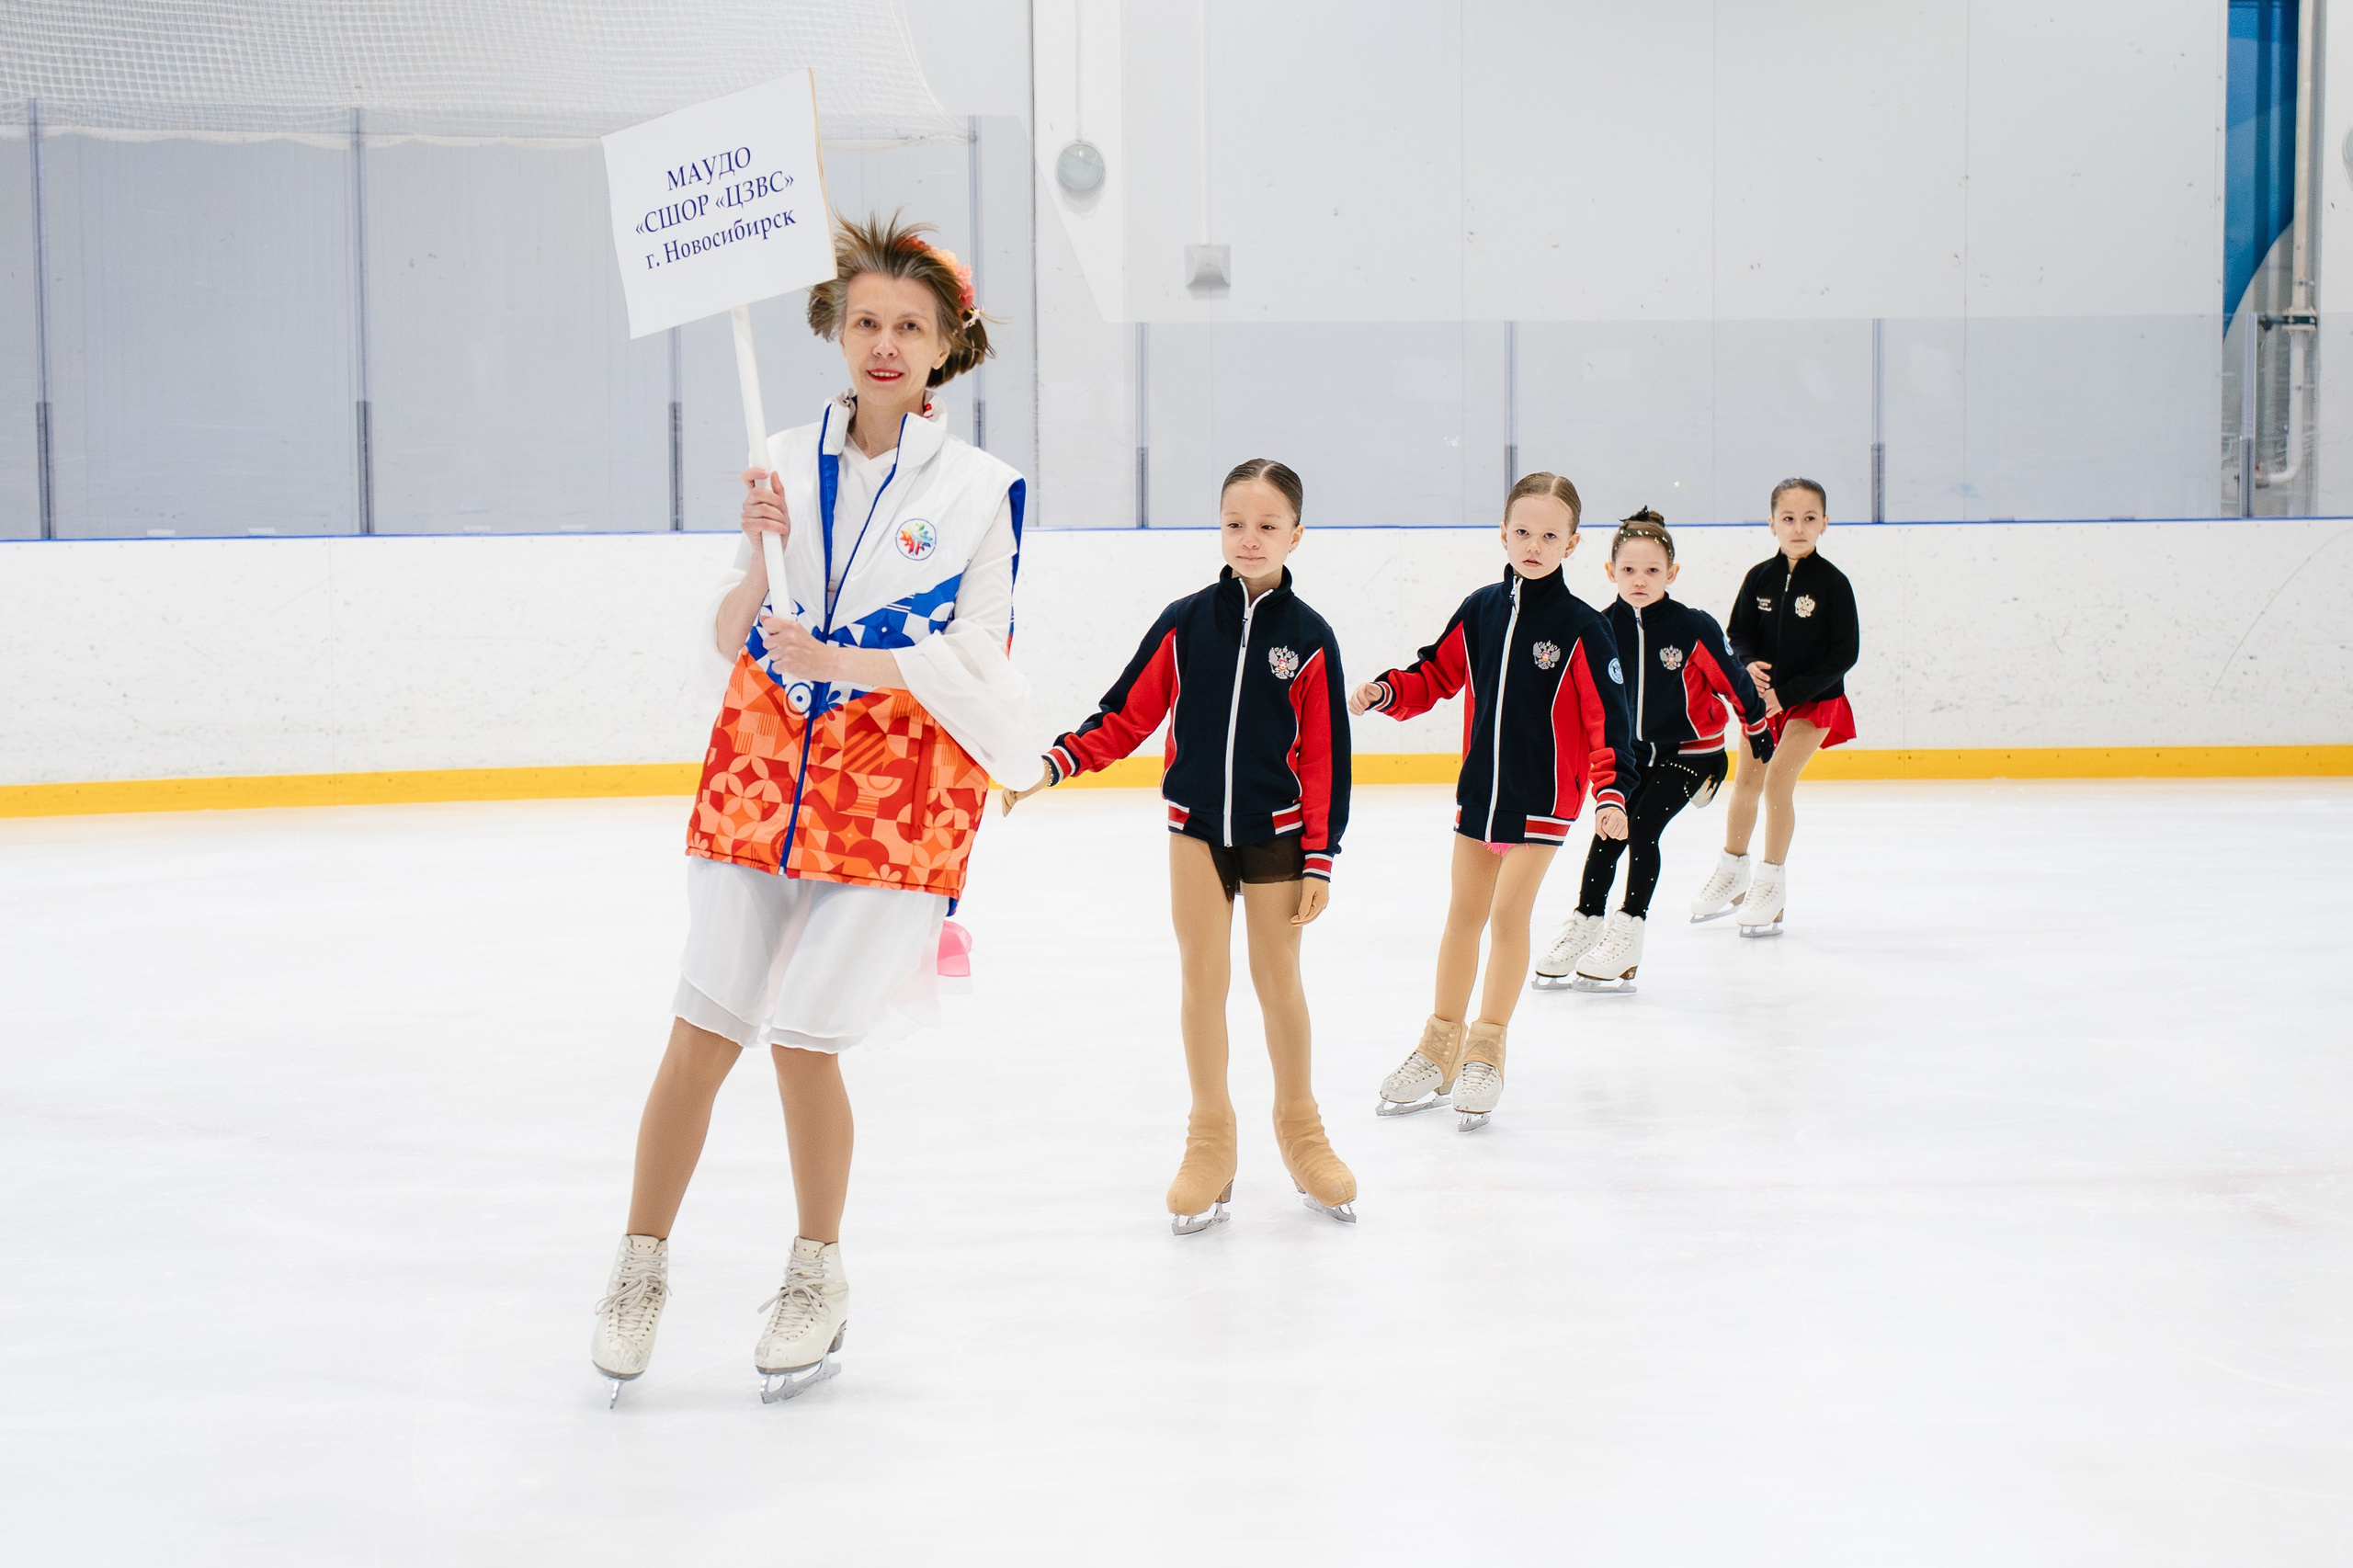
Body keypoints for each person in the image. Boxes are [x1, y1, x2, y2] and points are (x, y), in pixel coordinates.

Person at [589, 215, 1043, 1405]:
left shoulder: (981, 491)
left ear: (947, 345)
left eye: (910, 326)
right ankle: (638, 1264)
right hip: (761, 778)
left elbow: (985, 659)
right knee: (701, 1030)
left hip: (897, 801)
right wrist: (757, 558)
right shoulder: (780, 458)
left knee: (803, 1040)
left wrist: (849, 663)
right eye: (866, 322)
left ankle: (816, 1272)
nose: (885, 343)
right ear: (837, 332)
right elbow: (730, 637)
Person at [1004, 460, 1356, 1231]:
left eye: (1268, 526)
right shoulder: (1186, 622)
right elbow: (1125, 715)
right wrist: (1052, 765)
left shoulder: (1310, 639)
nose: (1250, 538)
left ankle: (1302, 1133)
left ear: (1296, 535)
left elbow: (1327, 758)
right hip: (1195, 829)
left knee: (1278, 983)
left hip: (1277, 836)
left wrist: (1321, 858)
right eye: (1235, 523)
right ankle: (1210, 1140)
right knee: (1203, 979)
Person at [1351, 472, 1634, 1130]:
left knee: (1508, 916)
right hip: (1481, 793)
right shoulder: (1481, 609)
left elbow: (1608, 722)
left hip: (1544, 798)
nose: (1534, 545)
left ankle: (1486, 1050)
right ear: (1503, 534)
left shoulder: (1584, 628)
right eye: (1523, 532)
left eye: (1550, 536)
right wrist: (1390, 691)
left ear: (1572, 543)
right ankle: (1438, 1047)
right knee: (1462, 916)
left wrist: (1611, 793)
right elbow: (1436, 673)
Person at [1532, 509, 1772, 992]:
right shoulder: (1598, 629)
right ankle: (1586, 921)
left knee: (1642, 828)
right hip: (1634, 757)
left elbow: (1733, 679)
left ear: (1672, 573)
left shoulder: (1691, 627)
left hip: (1694, 753)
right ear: (1610, 571)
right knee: (1609, 829)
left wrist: (1756, 723)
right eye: (1628, 570)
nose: (1639, 580)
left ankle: (1629, 929)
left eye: (1652, 570)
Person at [1690, 477, 1860, 936]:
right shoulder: (1759, 577)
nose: (1798, 528)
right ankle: (1733, 871)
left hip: (1814, 703)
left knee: (1777, 783)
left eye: (1809, 518)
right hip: (1764, 705)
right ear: (1772, 523)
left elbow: (1844, 654)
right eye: (1788, 518)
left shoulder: (1833, 584)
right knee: (1746, 783)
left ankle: (1771, 884)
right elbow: (1737, 633)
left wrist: (1785, 695)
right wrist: (1747, 664)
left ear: (1825, 523)